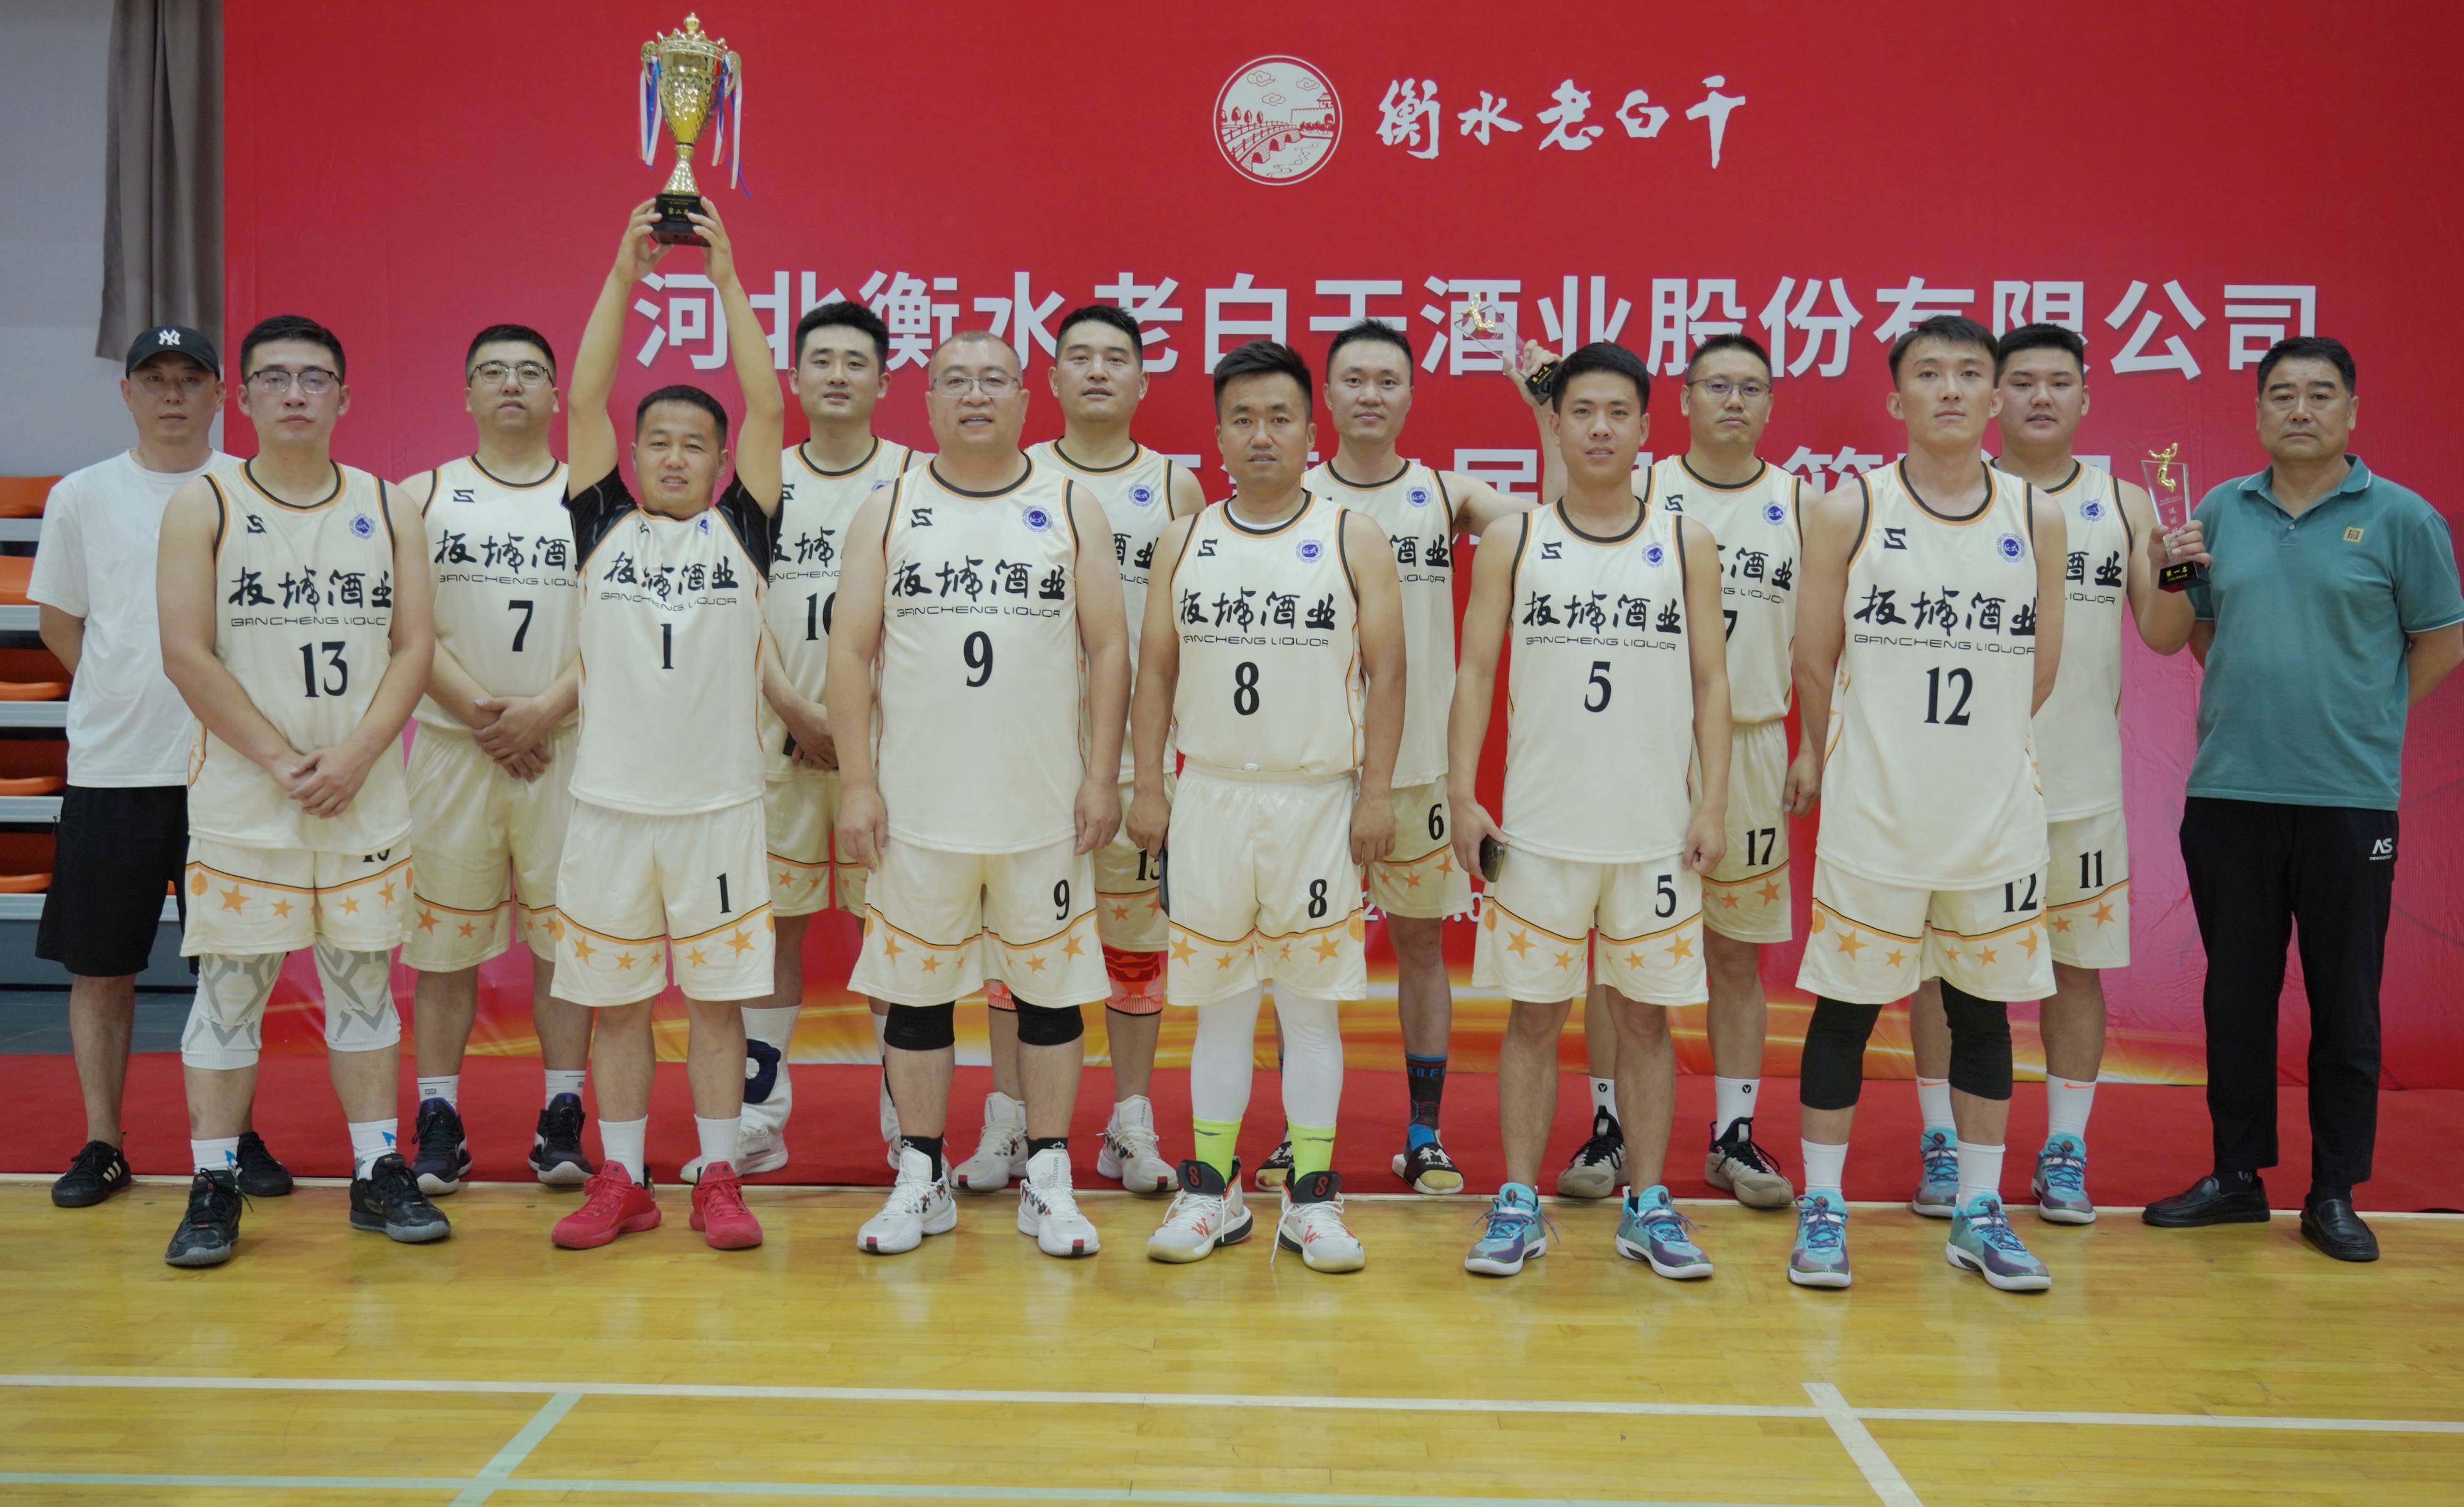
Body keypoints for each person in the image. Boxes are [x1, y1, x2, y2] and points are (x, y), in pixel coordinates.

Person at [2143, 336, 2461, 1263]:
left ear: (2352, 412)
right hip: (2230, 792)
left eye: (2321, 394)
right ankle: (2236, 1177)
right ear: (2258, 413)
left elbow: (2442, 640)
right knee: (2236, 998)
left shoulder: (2401, 518)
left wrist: (2371, 714)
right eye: (2281, 394)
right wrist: (2170, 565)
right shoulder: (2218, 509)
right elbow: (2187, 632)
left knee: (2345, 1002)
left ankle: (2333, 1191)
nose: (2301, 409)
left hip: (2347, 800)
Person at [828, 330, 1131, 1259]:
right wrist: (858, 783)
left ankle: (1049, 1173)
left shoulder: (1070, 504)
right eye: (954, 380)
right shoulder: (889, 508)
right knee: (917, 1002)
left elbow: (1109, 646)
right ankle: (920, 1174)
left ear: (1025, 400)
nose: (974, 394)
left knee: (1049, 998)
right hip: (919, 812)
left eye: (994, 379)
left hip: (1043, 811)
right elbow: (850, 650)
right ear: (925, 401)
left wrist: (1101, 775)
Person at [1786, 314, 2067, 1292]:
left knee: (1985, 1019)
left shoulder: (2036, 516)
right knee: (1845, 1016)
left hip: (1992, 819)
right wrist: (1854, 756)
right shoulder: (1849, 509)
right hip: (1877, 815)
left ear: (1996, 397)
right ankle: (1823, 1211)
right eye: (1929, 374)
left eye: (1969, 374)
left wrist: (1974, 757)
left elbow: (2039, 671)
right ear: (1895, 396)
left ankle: (1980, 1215)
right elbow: (1812, 661)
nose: (1950, 389)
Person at [156, 313, 443, 1267]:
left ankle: (376, 1169)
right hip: (248, 800)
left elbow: (414, 647)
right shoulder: (204, 503)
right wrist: (280, 759)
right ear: (241, 396)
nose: (293, 393)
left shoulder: (387, 505)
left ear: (344, 398)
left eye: (313, 378)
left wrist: (357, 754)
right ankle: (213, 1182)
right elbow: (185, 652)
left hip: (363, 795)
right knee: (231, 989)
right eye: (274, 377)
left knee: (363, 983)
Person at [1451, 341, 1733, 1280]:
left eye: (1619, 412)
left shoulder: (1685, 541)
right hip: (1539, 832)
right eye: (1582, 412)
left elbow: (1712, 682)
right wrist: (1462, 794)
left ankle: (1647, 1206)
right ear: (1557, 423)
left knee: (1645, 1025)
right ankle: (1518, 1201)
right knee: (1533, 1021)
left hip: (1653, 834)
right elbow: (1475, 675)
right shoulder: (1515, 539)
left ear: (1648, 427)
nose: (1601, 428)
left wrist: (1713, 802)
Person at [1901, 323, 2193, 1223]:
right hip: (1961, 788)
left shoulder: (2125, 503)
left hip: (2079, 787)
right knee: (1944, 973)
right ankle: (1943, 1144)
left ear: (2085, 398)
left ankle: (2065, 1150)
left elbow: (2165, 636)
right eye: (2021, 381)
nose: (2039, 397)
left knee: (2076, 971)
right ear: (1995, 398)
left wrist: (2177, 576)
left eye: (2058, 382)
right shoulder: (1958, 498)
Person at [543, 200, 790, 1253]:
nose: (677, 457)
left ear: (722, 459)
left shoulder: (744, 531)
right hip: (609, 811)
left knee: (720, 1007)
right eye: (660, 443)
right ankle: (625, 1179)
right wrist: (623, 276)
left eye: (697, 444)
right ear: (634, 455)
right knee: (620, 1006)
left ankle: (719, 1177)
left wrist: (726, 277)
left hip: (720, 811)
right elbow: (584, 395)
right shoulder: (602, 525)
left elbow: (769, 405)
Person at [1131, 338, 1404, 1272]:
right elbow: (1155, 672)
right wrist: (1148, 785)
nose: (1261, 435)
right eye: (1242, 419)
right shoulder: (1186, 539)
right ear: (1217, 435)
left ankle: (1312, 1198)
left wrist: (1376, 794)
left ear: (1309, 430)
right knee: (1219, 1009)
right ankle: (1212, 1190)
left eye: (1280, 417)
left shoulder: (1352, 536)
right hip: (1210, 796)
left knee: (1311, 1013)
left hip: (1316, 800)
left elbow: (1390, 672)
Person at [1529, 334, 1808, 1208]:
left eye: (1751, 388)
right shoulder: (1639, 486)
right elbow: (1554, 537)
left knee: (1736, 953)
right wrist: (1541, 412)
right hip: (1638, 742)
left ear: (1771, 403)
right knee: (1614, 958)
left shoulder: (1799, 502)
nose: (1734, 401)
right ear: (1680, 404)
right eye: (1716, 385)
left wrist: (1810, 744)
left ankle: (1735, 1136)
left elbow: (1822, 635)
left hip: (1750, 741)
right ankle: (1609, 1127)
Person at [35, 326, 295, 1210]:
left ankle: (236, 1136)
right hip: (114, 769)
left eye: (191, 378)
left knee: (233, 966)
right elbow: (61, 623)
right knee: (101, 966)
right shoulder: (82, 496)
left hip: (228, 768)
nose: (173, 394)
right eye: (155, 379)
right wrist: (123, 691)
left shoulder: (252, 490)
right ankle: (102, 1142)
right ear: (129, 393)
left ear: (223, 394)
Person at [948, 304, 1203, 1197]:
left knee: (1134, 954)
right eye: (1079, 358)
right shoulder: (1017, 478)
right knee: (1017, 955)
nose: (1097, 371)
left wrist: (1155, 773)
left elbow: (1178, 645)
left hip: (1135, 767)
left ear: (1143, 380)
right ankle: (1010, 1122)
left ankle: (1130, 1123)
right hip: (1027, 767)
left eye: (1115, 358)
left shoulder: (1174, 487)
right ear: (1048, 382)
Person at [1282, 319, 1535, 1196]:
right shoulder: (1296, 497)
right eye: (1353, 379)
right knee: (1302, 954)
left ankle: (1424, 1133)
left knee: (1421, 948)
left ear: (1412, 397)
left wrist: (1544, 414)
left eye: (1388, 381)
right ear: (1326, 395)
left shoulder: (1443, 494)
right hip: (1317, 767)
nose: (1370, 395)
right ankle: (1298, 1134)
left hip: (1420, 768)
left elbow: (1556, 525)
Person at [679, 299, 926, 1185]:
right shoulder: (761, 480)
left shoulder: (917, 482)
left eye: (856, 362)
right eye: (820, 360)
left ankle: (910, 1125)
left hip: (889, 751)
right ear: (794, 378)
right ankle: (760, 1118)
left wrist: (855, 727)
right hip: (773, 739)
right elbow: (730, 604)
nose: (837, 375)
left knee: (892, 931)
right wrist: (793, 706)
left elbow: (928, 619)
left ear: (885, 381)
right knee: (772, 930)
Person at [395, 324, 594, 1196]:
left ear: (556, 395)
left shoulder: (594, 497)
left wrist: (544, 710)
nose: (512, 384)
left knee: (565, 946)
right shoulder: (422, 496)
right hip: (454, 749)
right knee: (443, 949)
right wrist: (483, 714)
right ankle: (438, 1116)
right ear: (468, 394)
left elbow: (618, 624)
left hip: (566, 747)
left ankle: (563, 1114)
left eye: (530, 372)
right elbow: (404, 627)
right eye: (493, 372)